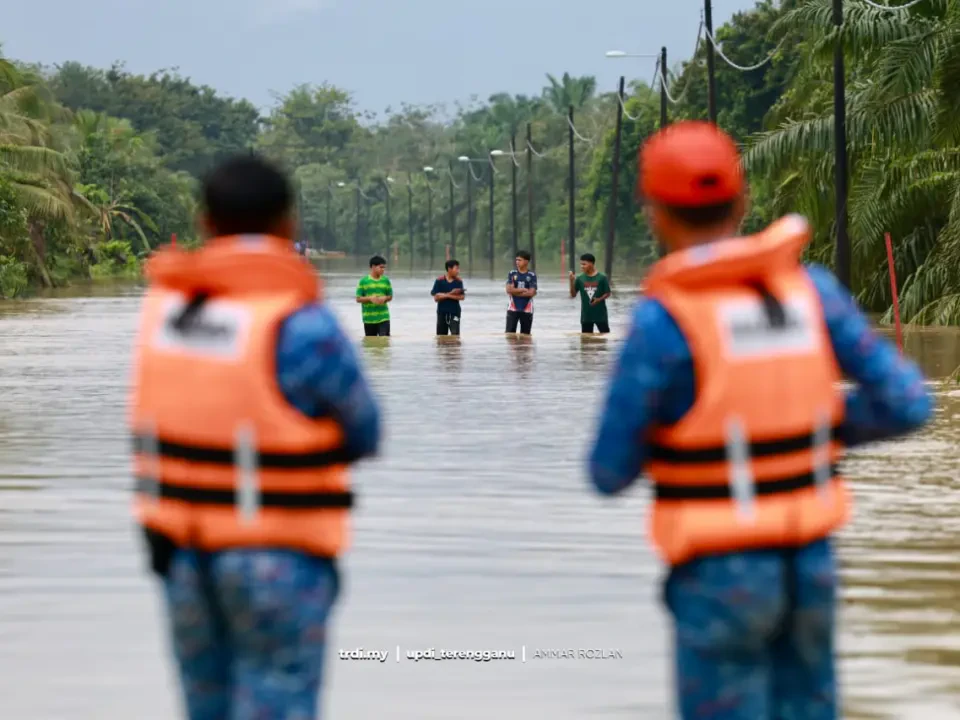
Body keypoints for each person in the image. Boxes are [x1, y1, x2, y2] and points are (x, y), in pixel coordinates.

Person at [587, 121, 933, 719]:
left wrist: (712, 436)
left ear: (656, 214)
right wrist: (815, 422)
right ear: (743, 202)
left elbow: (608, 470)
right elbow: (908, 401)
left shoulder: (662, 323)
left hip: (719, 575)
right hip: (811, 565)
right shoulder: (811, 292)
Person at [129, 154, 381, 720]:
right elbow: (365, 429)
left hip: (182, 556)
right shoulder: (301, 324)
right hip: (278, 557)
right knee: (278, 703)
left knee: (206, 709)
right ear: (288, 224)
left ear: (205, 224)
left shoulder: (161, 314)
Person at [569, 252, 611, 334]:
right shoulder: (580, 278)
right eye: (581, 264)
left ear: (591, 264)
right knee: (586, 342)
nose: (582, 266)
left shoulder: (602, 277)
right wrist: (571, 281)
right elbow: (573, 295)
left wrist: (599, 299)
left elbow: (608, 293)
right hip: (586, 316)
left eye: (584, 264)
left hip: (600, 316)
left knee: (605, 339)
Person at [356, 255, 393, 336]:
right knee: (370, 344)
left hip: (384, 317)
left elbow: (390, 296)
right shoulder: (363, 281)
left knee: (384, 341)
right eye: (381, 267)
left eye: (384, 267)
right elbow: (358, 299)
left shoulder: (386, 281)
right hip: (369, 319)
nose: (383, 270)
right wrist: (370, 298)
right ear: (373, 267)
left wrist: (385, 298)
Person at [505, 250, 537, 334]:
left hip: (527, 308)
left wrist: (515, 291)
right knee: (510, 336)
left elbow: (531, 293)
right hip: (513, 308)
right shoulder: (512, 273)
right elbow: (508, 290)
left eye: (519, 260)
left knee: (525, 337)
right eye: (516, 260)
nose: (517, 262)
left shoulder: (532, 275)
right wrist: (523, 290)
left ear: (526, 261)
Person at [431, 259, 465, 335]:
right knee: (441, 338)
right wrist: (451, 293)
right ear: (449, 269)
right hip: (442, 313)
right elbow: (436, 298)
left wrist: (445, 295)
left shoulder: (459, 281)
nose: (458, 271)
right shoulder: (439, 281)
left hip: (455, 313)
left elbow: (462, 297)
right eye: (456, 269)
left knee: (455, 336)